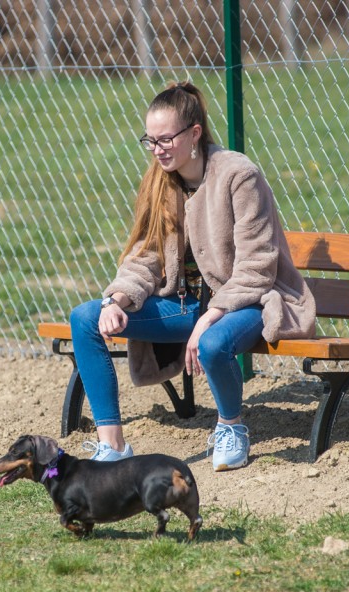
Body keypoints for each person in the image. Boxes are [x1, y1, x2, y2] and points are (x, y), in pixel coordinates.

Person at [69, 81, 316, 471]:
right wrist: (116, 300)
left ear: (195, 132)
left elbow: (257, 268)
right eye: (150, 141)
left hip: (248, 303)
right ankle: (112, 446)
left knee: (213, 343)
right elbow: (145, 255)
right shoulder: (159, 181)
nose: (157, 150)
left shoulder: (238, 175)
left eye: (165, 139)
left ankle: (231, 427)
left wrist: (208, 319)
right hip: (185, 306)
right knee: (85, 317)